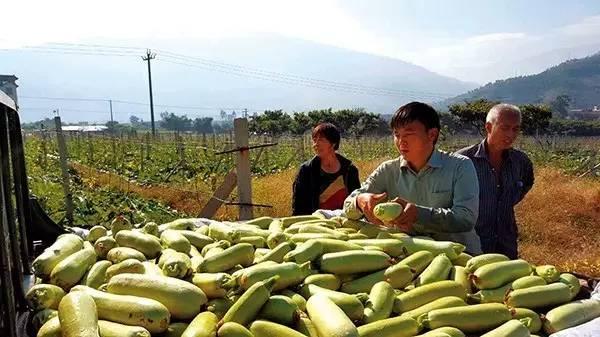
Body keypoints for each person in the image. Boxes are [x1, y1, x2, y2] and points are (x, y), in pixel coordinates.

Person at [343, 102, 482, 254]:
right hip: (410, 258)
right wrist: (359, 201)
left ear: (432, 135)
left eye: (408, 134)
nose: (401, 141)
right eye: (396, 134)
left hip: (458, 257)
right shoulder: (388, 170)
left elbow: (465, 219)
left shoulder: (460, 166)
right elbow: (348, 204)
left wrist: (419, 214)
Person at [456, 104, 534, 259]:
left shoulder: (520, 161)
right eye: (505, 128)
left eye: (516, 129)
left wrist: (503, 202)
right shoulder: (463, 160)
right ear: (489, 127)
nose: (511, 134)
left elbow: (526, 183)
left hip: (506, 244)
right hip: (472, 246)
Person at [292, 123, 360, 215]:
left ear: (333, 143)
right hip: (316, 223)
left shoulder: (349, 170)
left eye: (321, 140)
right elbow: (299, 207)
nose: (315, 144)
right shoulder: (306, 170)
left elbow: (356, 202)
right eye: (314, 140)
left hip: (345, 222)